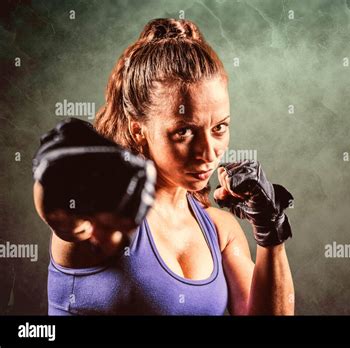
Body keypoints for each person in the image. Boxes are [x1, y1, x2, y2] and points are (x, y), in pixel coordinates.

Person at [33, 18, 295, 315]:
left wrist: (270, 230)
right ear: (138, 130)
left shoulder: (220, 230)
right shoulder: (107, 222)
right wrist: (53, 167)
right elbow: (60, 215)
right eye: (184, 131)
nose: (208, 152)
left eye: (219, 128)